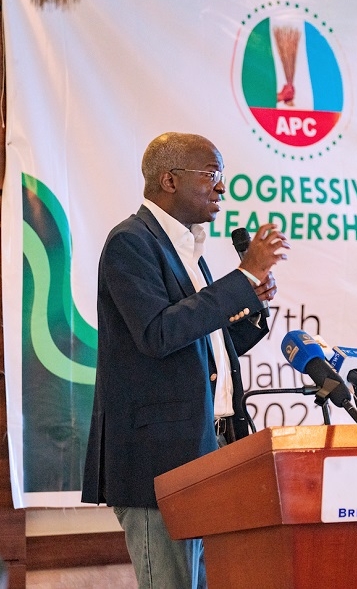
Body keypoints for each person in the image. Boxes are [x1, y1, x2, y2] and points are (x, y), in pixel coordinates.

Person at [81, 132, 288, 589]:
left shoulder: (188, 249)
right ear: (169, 180)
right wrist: (240, 279)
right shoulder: (130, 243)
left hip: (209, 449)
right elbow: (158, 333)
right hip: (159, 458)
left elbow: (202, 344)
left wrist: (249, 301)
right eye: (211, 175)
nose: (222, 188)